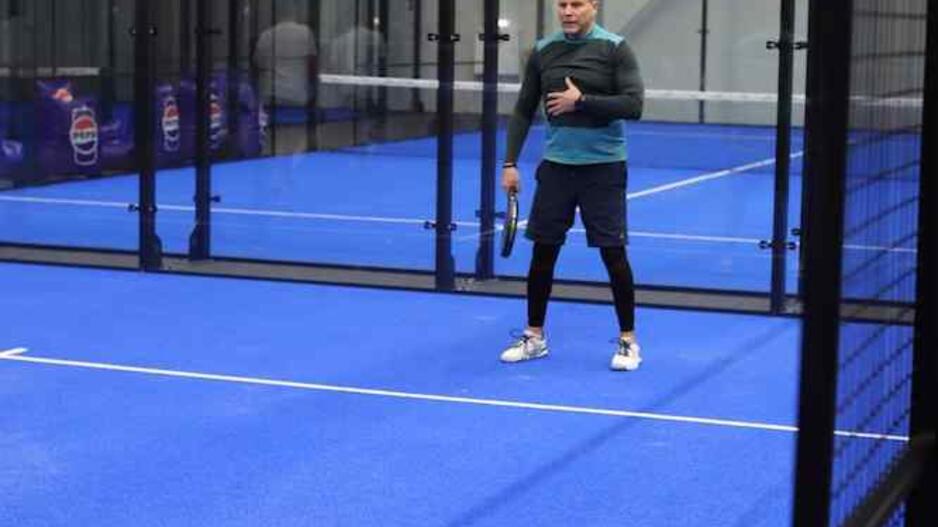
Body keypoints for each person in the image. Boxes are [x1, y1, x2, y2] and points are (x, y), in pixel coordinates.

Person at [498, 0, 645, 371]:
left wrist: (582, 102)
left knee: (613, 254)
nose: (567, 11)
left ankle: (628, 341)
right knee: (543, 253)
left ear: (593, 5)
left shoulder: (615, 48)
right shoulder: (543, 51)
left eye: (576, 4)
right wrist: (510, 162)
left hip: (604, 168)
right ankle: (534, 336)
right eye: (562, 4)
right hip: (557, 168)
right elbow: (523, 108)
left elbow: (633, 105)